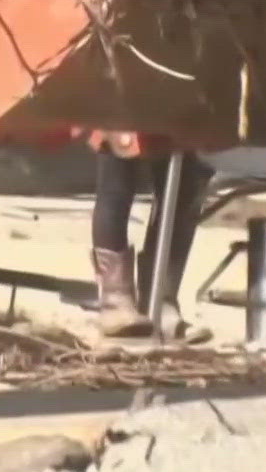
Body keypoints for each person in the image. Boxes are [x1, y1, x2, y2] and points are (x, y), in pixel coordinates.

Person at [89, 141, 214, 343]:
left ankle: (161, 298)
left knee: (185, 185)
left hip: (179, 114)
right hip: (122, 113)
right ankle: (115, 300)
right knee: (118, 180)